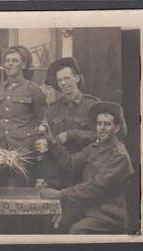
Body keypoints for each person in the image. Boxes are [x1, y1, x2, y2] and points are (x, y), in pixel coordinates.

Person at [37, 102, 134, 234]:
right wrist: (52, 141)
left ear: (116, 128)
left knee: (76, 231)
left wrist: (61, 194)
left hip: (108, 214)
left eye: (107, 124)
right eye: (99, 124)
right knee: (56, 226)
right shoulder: (94, 148)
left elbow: (96, 187)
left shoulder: (119, 156)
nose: (102, 128)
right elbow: (71, 164)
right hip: (88, 207)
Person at [39, 57, 100, 189]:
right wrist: (43, 142)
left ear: (77, 78)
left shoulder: (93, 105)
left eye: (66, 78)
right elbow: (47, 136)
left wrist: (72, 135)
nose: (63, 83)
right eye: (60, 80)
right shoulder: (53, 109)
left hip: (86, 171)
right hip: (59, 173)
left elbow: (101, 136)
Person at [0, 45, 46, 187]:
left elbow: (42, 121)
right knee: (0, 195)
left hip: (24, 153)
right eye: (7, 60)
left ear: (24, 64)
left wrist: (40, 147)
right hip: (1, 152)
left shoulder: (33, 89)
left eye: (15, 60)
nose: (10, 63)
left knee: (24, 196)